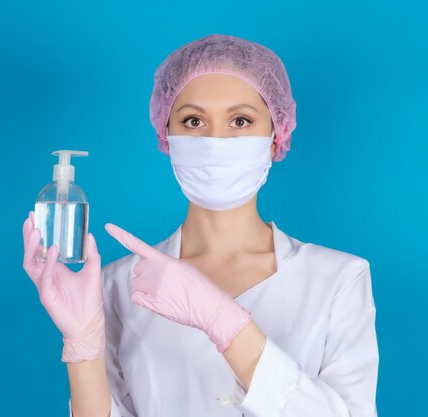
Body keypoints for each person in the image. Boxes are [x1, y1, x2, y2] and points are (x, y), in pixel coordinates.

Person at [22, 34, 379, 417]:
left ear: (276, 138)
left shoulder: (338, 279)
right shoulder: (116, 287)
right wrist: (82, 346)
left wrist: (224, 323)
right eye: (193, 121)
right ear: (167, 137)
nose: (214, 141)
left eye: (240, 121)